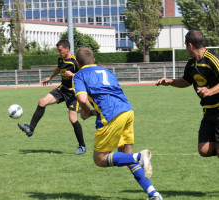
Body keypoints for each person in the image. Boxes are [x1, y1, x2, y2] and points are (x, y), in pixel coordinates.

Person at [73, 47, 163, 200]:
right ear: (93, 60)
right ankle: (153, 193)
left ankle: (139, 157)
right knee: (125, 157)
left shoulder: (79, 75)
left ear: (77, 63)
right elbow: (109, 96)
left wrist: (86, 112)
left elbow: (82, 100)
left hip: (111, 116)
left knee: (100, 159)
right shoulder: (107, 72)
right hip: (127, 110)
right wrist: (93, 112)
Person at [156, 30, 219, 158]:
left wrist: (210, 91)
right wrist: (170, 82)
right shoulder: (191, 64)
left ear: (190, 45)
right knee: (204, 150)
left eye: (185, 46)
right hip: (208, 111)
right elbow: (186, 81)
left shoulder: (213, 59)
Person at [18, 39, 86, 155]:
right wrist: (50, 77)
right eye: (58, 51)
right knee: (42, 102)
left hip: (73, 93)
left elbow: (85, 74)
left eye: (60, 51)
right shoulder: (61, 59)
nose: (58, 53)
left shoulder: (75, 61)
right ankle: (30, 129)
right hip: (62, 89)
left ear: (67, 49)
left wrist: (73, 75)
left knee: (72, 118)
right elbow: (58, 68)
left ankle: (82, 146)